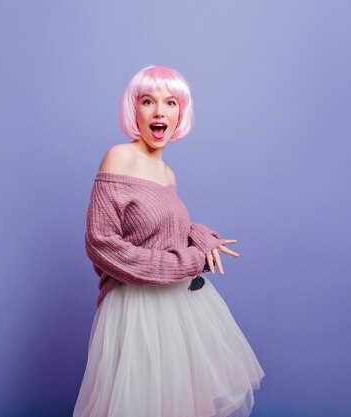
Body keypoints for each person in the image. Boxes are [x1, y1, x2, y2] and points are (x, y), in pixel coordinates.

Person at [73, 65, 264, 417]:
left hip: (178, 305)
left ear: (181, 114)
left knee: (180, 404)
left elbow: (162, 229)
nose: (160, 111)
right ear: (135, 110)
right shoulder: (119, 157)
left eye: (171, 102)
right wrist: (190, 261)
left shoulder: (167, 172)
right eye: (149, 101)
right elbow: (101, 243)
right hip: (136, 309)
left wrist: (199, 235)